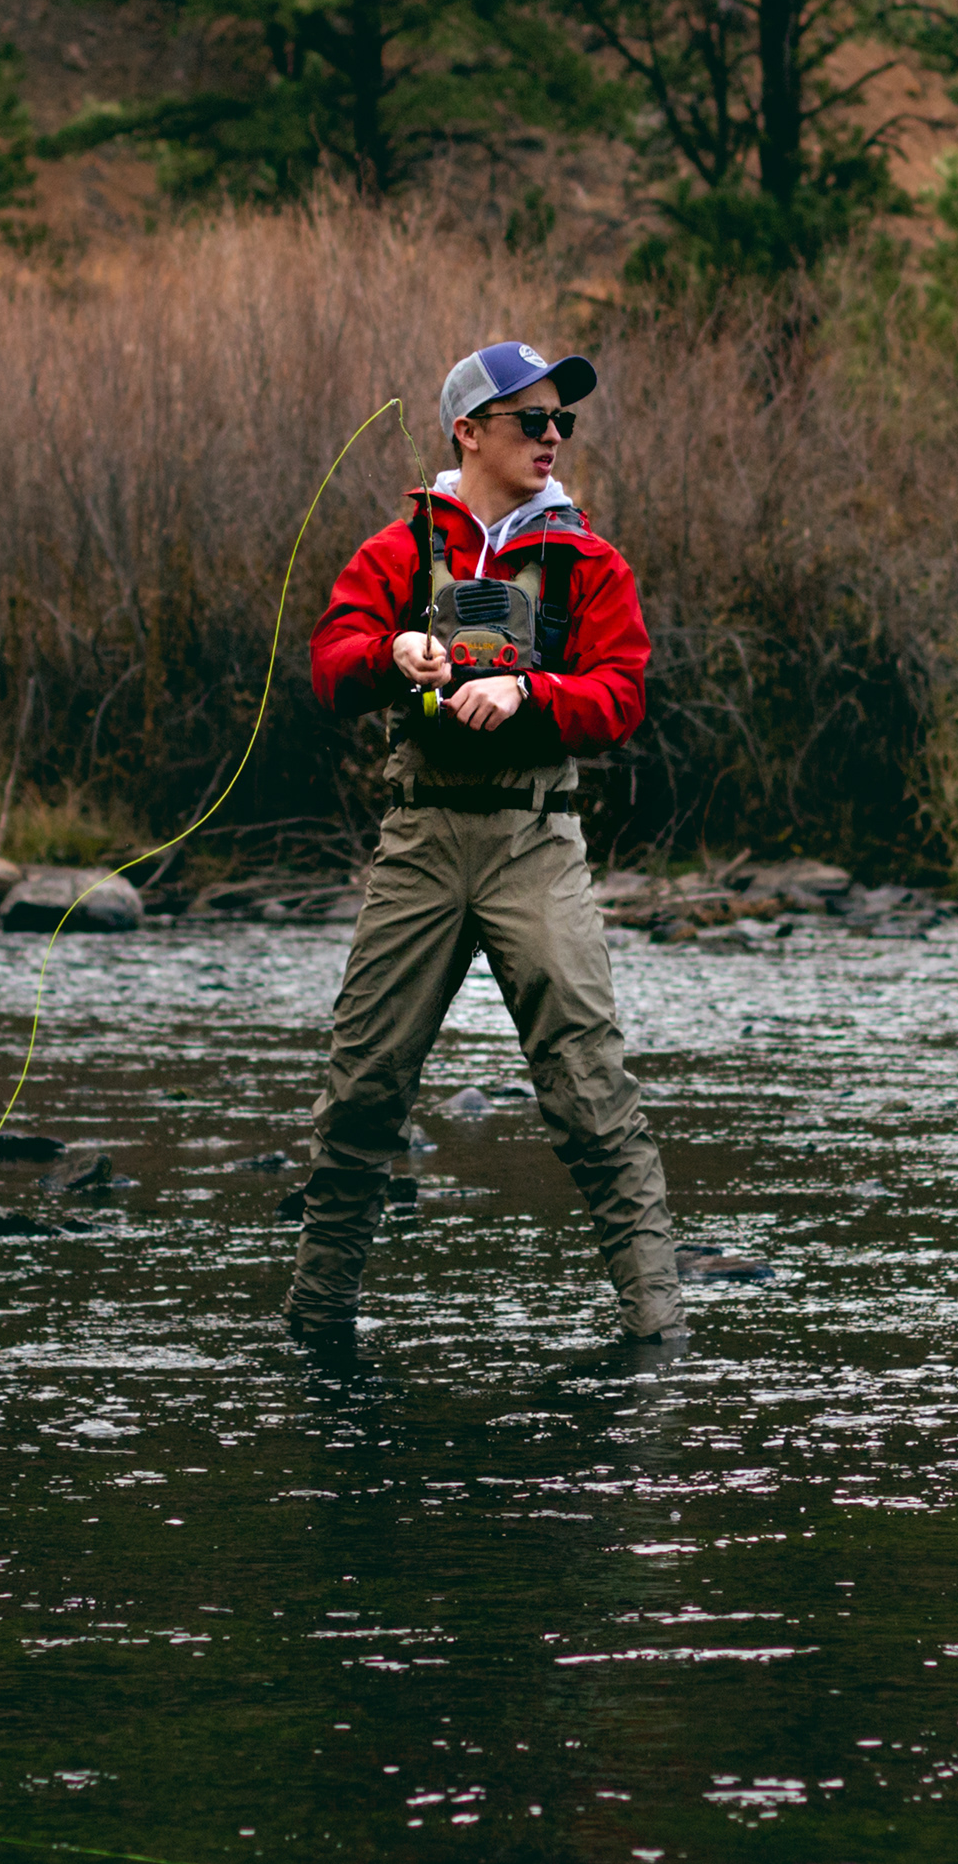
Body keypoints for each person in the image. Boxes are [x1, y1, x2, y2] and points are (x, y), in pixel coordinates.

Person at [288, 336, 681, 1362]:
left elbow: (624, 695)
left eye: (563, 422)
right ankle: (316, 1323)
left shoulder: (590, 561)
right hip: (419, 837)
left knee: (590, 1086)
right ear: (468, 430)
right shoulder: (391, 550)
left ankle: (659, 1329)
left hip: (534, 835)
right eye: (530, 420)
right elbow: (327, 669)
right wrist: (391, 652)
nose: (553, 436)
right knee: (364, 1083)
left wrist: (531, 688)